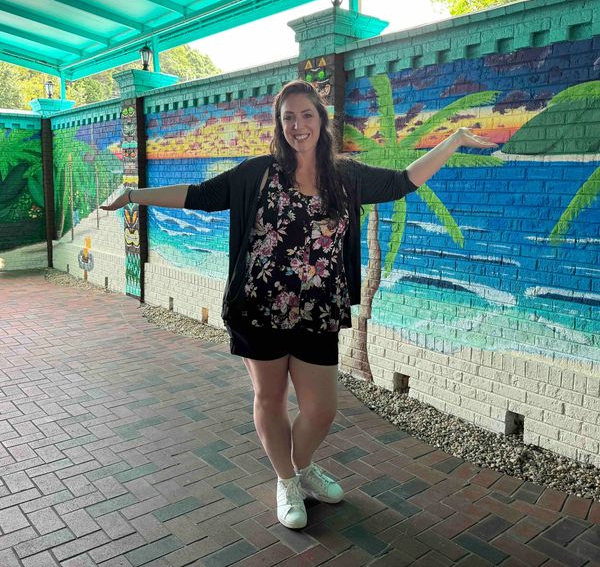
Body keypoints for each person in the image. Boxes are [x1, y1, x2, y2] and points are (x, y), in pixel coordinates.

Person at [101, 80, 497, 529]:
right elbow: (200, 196)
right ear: (279, 124)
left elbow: (403, 181)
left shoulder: (345, 177)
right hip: (258, 308)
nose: (297, 125)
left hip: (318, 312)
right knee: (270, 399)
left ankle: (303, 467)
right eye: (288, 117)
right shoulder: (258, 173)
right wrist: (132, 195)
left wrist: (456, 139)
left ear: (321, 120)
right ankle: (286, 480)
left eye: (306, 114)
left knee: (320, 410)